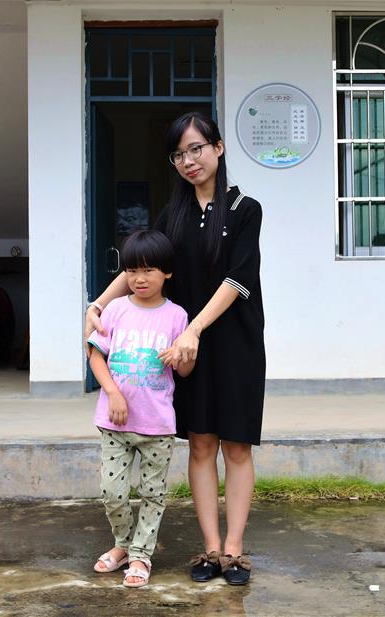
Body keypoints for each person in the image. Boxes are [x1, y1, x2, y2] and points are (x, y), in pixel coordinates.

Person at [86, 112, 265, 586]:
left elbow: (237, 280)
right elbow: (140, 267)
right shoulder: (174, 215)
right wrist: (99, 304)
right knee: (202, 442)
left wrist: (195, 329)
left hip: (234, 343)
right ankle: (209, 548)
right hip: (185, 349)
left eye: (197, 149)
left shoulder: (246, 209)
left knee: (238, 446)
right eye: (179, 154)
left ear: (218, 149)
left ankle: (235, 549)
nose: (189, 161)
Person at [87, 229, 195, 588]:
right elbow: (95, 355)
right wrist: (113, 393)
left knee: (152, 494)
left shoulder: (177, 316)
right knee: (112, 492)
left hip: (157, 424)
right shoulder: (115, 309)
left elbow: (184, 370)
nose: (139, 278)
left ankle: (140, 555)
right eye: (132, 270)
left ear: (167, 273)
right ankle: (121, 544)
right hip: (114, 422)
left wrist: (179, 356)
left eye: (148, 270)